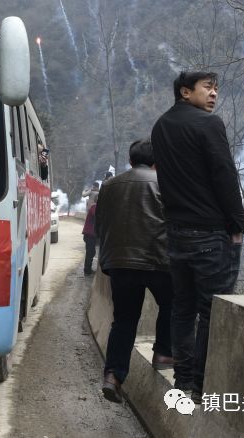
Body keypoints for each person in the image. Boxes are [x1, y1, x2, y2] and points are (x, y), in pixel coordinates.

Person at [151, 71, 244, 403]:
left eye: (216, 89)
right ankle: (201, 385)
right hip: (209, 234)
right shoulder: (209, 125)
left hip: (177, 234)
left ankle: (183, 378)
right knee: (210, 311)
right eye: (207, 88)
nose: (213, 95)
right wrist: (237, 222)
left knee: (183, 309)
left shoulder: (161, 127)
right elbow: (224, 173)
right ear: (184, 91)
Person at [95, 138, 173, 404]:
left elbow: (101, 224)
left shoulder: (108, 186)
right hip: (157, 262)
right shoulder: (165, 183)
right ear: (157, 161)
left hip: (120, 263)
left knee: (124, 320)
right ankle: (163, 354)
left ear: (130, 160)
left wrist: (106, 260)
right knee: (172, 304)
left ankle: (113, 377)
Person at [82, 199, 97, 275]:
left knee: (91, 252)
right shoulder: (94, 207)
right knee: (90, 252)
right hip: (89, 234)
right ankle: (87, 271)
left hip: (91, 235)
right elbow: (96, 215)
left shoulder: (94, 207)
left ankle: (88, 269)